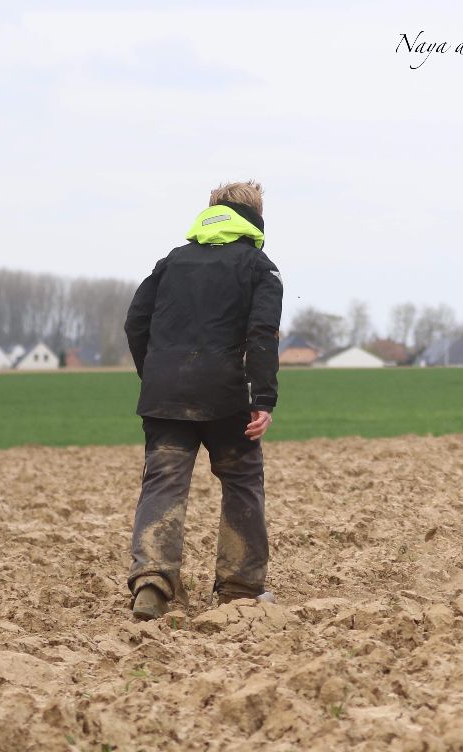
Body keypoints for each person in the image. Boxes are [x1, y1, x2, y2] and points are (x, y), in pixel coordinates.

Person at [123, 180, 283, 620]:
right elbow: (262, 335)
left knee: (164, 482)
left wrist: (155, 375)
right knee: (242, 480)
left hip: (164, 395)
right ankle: (240, 589)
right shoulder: (259, 267)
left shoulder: (170, 262)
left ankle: (153, 583)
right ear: (255, 218)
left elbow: (136, 322)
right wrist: (263, 397)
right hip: (227, 397)